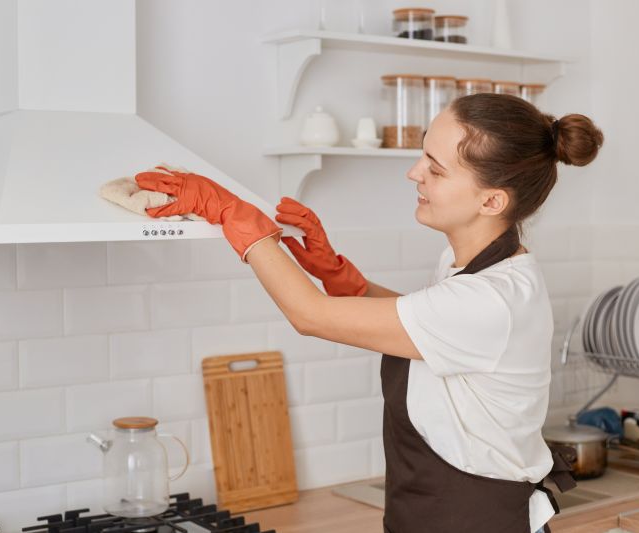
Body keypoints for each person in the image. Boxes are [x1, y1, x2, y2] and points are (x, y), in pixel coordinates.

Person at [134, 93, 604, 533]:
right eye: (424, 156)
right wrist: (343, 278)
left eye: (436, 170)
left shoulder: (491, 299)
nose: (414, 173)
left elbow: (310, 317)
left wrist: (236, 217)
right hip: (429, 514)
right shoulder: (477, 268)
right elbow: (424, 326)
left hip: (471, 519)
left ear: (492, 200)